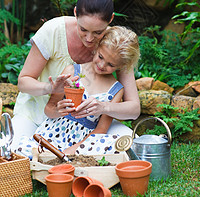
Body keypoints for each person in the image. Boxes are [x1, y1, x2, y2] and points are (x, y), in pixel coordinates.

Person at [11, 0, 140, 151]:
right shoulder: (53, 30)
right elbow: (23, 82)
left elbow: (134, 108)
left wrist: (103, 107)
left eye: (97, 33)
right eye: (83, 29)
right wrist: (50, 87)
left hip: (87, 127)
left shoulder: (113, 43)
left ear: (110, 20)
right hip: (37, 114)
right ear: (75, 13)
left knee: (131, 144)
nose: (89, 38)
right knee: (10, 149)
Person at [17, 26, 140, 158]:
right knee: (24, 149)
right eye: (100, 57)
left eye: (111, 65)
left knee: (115, 144)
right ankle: (49, 157)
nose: (102, 65)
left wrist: (74, 149)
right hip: (55, 133)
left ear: (121, 66)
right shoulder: (72, 72)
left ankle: (64, 159)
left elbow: (101, 130)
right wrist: (58, 111)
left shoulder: (116, 90)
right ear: (97, 47)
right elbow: (49, 109)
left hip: (86, 141)